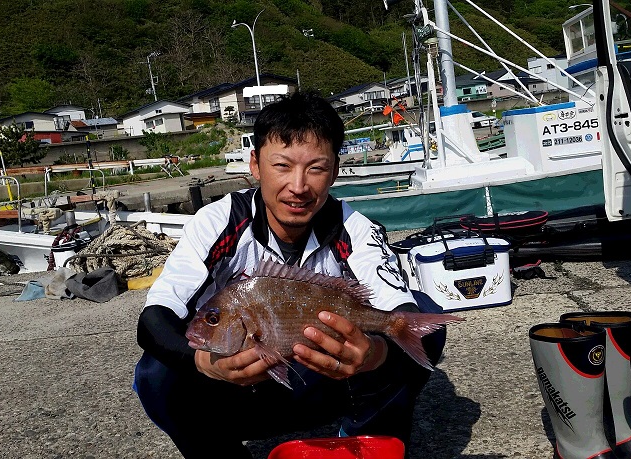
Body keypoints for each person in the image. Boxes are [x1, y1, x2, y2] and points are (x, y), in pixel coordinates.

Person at [133, 90, 445, 458]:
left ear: (335, 171)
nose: (298, 187)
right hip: (241, 395)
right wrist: (207, 364)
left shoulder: (356, 229)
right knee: (155, 374)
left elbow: (401, 310)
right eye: (282, 166)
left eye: (316, 168)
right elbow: (153, 319)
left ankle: (363, 438)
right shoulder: (218, 222)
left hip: (330, 382)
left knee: (424, 319)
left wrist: (375, 354)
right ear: (255, 165)